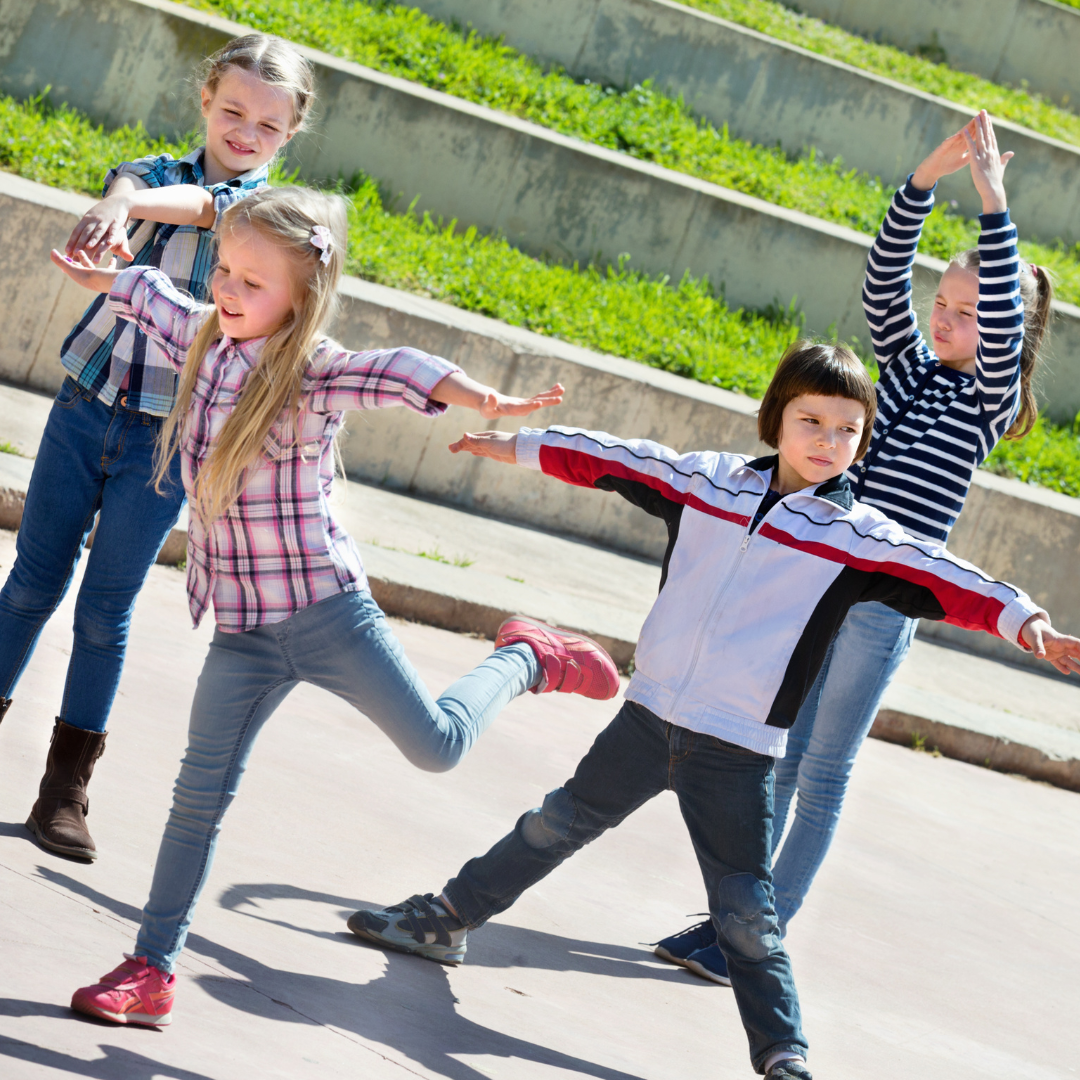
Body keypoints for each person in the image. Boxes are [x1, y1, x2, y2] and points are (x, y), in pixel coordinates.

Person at [347, 339, 1080, 1080]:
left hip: (735, 751)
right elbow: (621, 459)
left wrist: (1028, 624)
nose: (829, 442)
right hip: (648, 717)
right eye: (811, 421)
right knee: (554, 823)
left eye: (847, 431)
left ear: (863, 440)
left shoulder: (858, 539)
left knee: (745, 913)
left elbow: (948, 576)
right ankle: (445, 920)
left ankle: (784, 1056)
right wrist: (523, 445)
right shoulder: (709, 483)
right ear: (775, 419)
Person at [54, 184, 618, 1027]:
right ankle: (151, 966)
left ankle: (527, 657)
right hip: (244, 633)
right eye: (228, 272)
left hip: (327, 614)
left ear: (302, 297)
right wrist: (101, 274)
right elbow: (148, 292)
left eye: (254, 283)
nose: (230, 293)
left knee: (439, 749)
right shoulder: (203, 338)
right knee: (196, 798)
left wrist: (481, 399)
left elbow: (393, 370)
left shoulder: (310, 373)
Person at [651, 109, 1056, 985]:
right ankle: (734, 919)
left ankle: (759, 936)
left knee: (822, 768)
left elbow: (995, 309)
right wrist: (922, 179)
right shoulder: (905, 367)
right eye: (941, 304)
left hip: (882, 605)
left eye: (967, 310)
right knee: (778, 754)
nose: (946, 319)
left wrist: (993, 200)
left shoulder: (988, 403)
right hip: (818, 581)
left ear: (1007, 333)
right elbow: (881, 279)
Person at [0, 33, 315, 861]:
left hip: (169, 442)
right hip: (84, 407)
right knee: (30, 582)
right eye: (233, 111)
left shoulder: (273, 219)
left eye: (267, 125)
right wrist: (119, 195)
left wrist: (127, 205)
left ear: (291, 134)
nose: (246, 132)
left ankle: (64, 790)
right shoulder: (149, 175)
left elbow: (214, 211)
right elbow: (134, 179)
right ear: (206, 101)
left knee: (106, 610)